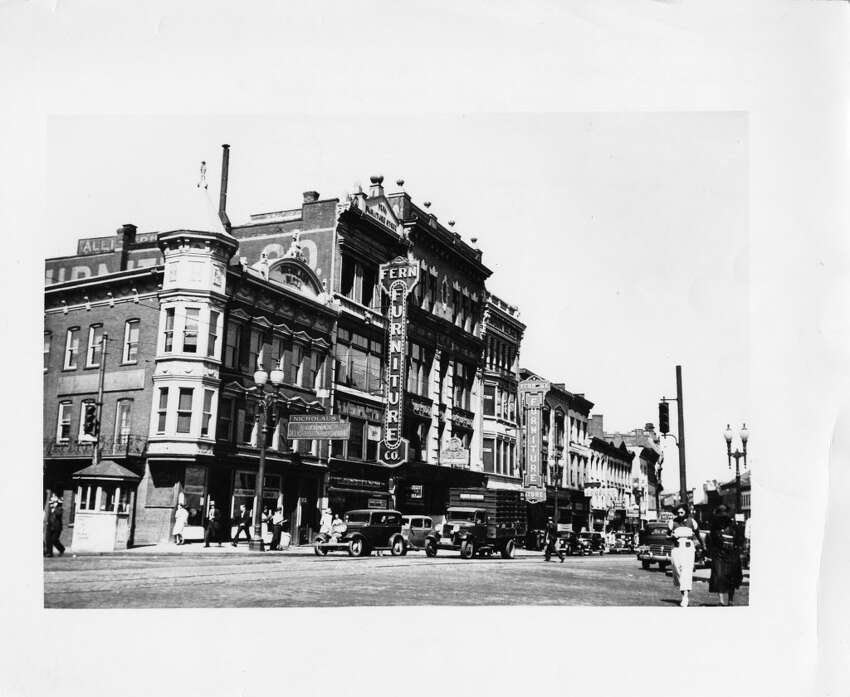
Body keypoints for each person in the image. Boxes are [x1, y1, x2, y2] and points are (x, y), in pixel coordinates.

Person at [707, 505, 744, 606]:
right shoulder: (714, 528)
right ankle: (721, 600)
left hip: (732, 555)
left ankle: (730, 600)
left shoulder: (734, 526)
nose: (723, 519)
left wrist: (738, 549)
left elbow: (740, 540)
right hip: (719, 555)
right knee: (719, 576)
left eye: (724, 516)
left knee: (732, 577)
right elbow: (711, 541)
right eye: (721, 516)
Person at [668, 504, 704, 607]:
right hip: (676, 548)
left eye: (681, 512)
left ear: (686, 512)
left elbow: (698, 534)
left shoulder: (692, 521)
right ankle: (683, 592)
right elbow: (667, 535)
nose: (679, 514)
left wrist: (703, 546)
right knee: (677, 571)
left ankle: (685, 597)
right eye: (678, 513)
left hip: (688, 548)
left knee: (686, 571)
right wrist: (672, 536)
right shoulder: (672, 522)